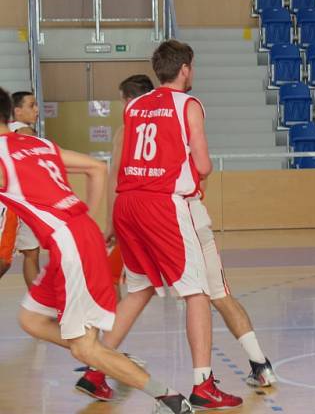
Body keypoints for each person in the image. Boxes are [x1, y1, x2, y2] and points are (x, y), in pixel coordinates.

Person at [0, 86, 192, 414]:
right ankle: (112, 358)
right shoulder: (38, 143)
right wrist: (82, 216)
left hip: (70, 244)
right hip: (76, 235)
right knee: (31, 319)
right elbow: (96, 168)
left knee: (84, 349)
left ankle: (170, 399)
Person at [87, 73, 275, 398]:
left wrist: (112, 222)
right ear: (184, 70)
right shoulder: (182, 110)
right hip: (176, 210)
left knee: (139, 290)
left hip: (132, 207)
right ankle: (228, 376)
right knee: (208, 292)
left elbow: (118, 171)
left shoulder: (132, 117)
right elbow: (202, 169)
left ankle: (95, 365)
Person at [0, 91, 42, 287]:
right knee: (5, 259)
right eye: (31, 105)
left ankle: (38, 302)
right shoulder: (24, 133)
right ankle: (39, 303)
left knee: (31, 253)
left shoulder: (11, 131)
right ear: (16, 111)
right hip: (14, 202)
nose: (37, 110)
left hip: (22, 202)